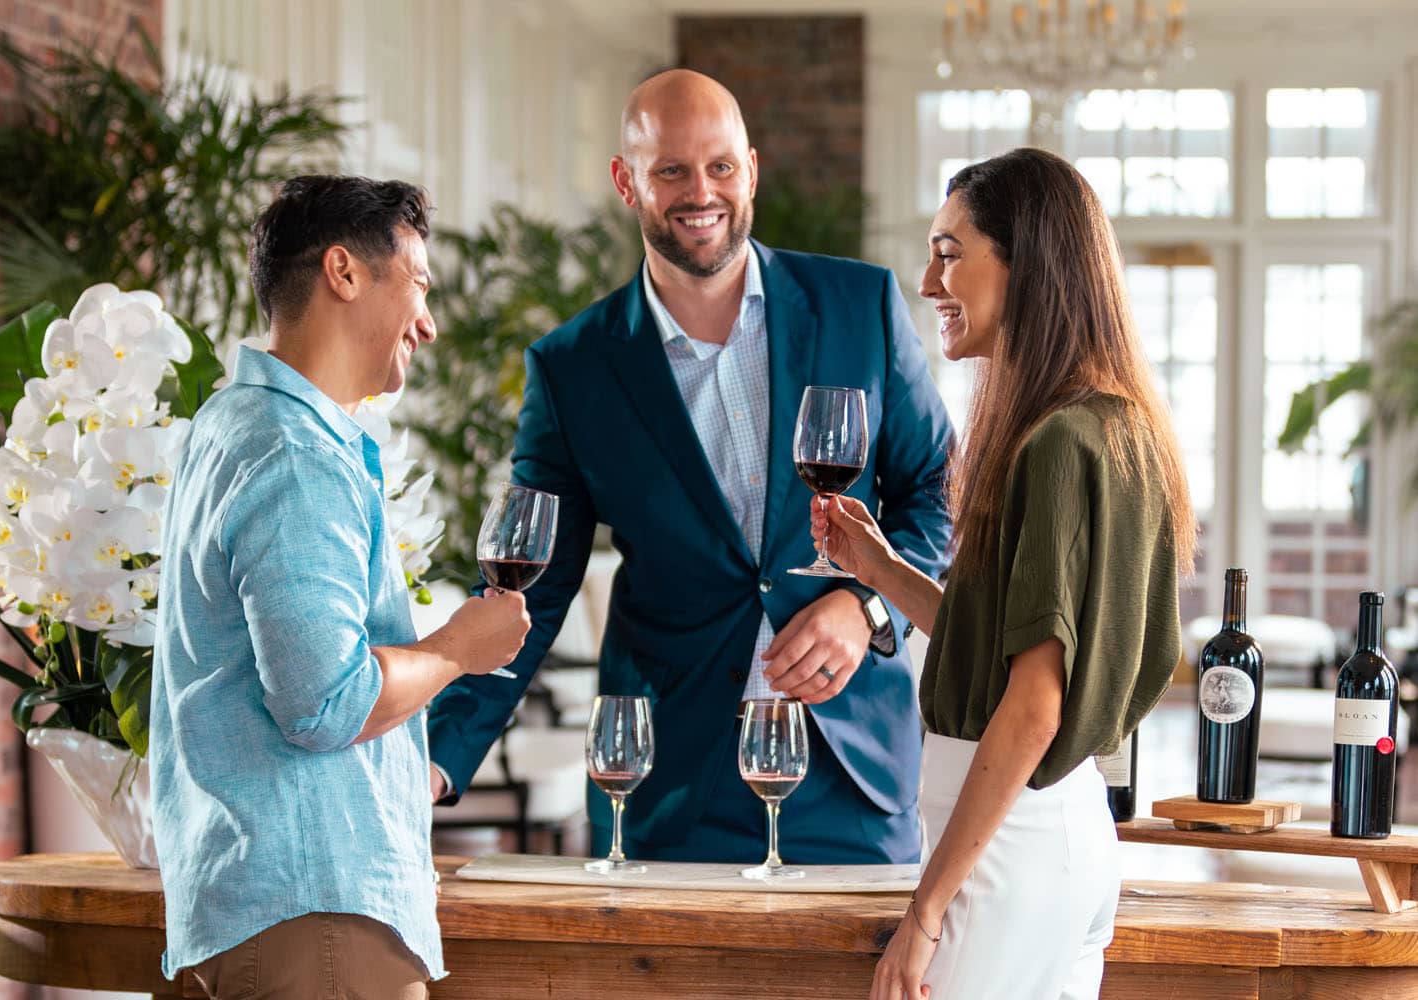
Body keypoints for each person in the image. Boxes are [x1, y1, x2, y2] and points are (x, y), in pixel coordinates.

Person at [425, 69, 954, 865]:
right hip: (670, 782)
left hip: (853, 773)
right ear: (626, 182)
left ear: (751, 169)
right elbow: (526, 589)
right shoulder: (574, 368)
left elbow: (936, 497)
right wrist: (433, 762)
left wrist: (868, 610)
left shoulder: (860, 307)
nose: (699, 191)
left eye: (720, 167)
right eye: (669, 169)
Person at [814, 147, 1196, 999]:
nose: (927, 281)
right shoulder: (1118, 426)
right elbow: (1002, 647)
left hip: (1003, 849)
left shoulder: (1056, 443)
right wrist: (877, 567)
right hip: (1065, 836)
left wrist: (927, 909)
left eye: (950, 253)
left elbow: (1032, 708)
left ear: (1029, 262)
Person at [151, 175, 531, 999]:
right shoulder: (296, 453)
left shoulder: (228, 425)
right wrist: (458, 651)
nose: (427, 323)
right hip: (317, 918)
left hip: (245, 903)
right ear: (343, 272)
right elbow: (326, 702)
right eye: (419, 284)